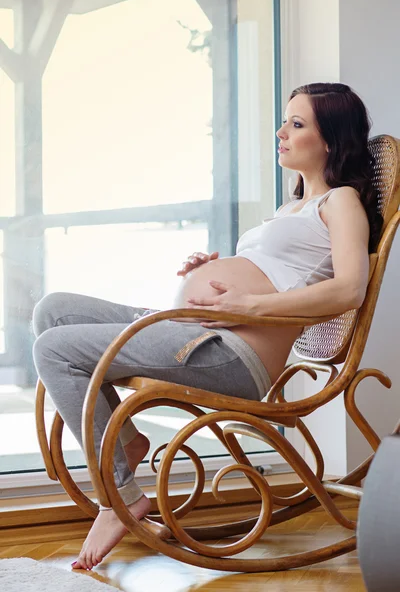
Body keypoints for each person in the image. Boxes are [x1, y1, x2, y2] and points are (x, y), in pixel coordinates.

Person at [32, 82, 382, 571]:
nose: (281, 133)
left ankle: (120, 496)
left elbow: (349, 289)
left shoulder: (340, 201)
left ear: (330, 141)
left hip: (232, 355)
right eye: (284, 121)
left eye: (296, 125)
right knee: (54, 310)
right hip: (198, 335)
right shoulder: (292, 208)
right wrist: (214, 267)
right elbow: (276, 270)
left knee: (54, 348)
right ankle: (128, 443)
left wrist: (250, 303)